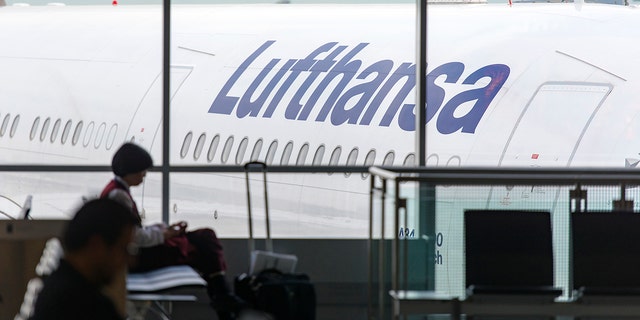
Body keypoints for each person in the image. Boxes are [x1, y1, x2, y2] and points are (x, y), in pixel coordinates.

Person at [100, 142, 245, 320]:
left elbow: (132, 231)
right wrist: (165, 234)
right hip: (137, 259)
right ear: (131, 170)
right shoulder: (119, 196)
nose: (144, 175)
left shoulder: (116, 191)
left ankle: (222, 296)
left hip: (136, 254)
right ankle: (222, 295)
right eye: (142, 170)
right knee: (203, 243)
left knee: (204, 238)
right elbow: (134, 237)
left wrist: (164, 230)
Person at [30, 198, 137, 320]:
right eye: (123, 249)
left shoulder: (56, 291)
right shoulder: (85, 307)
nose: (129, 260)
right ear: (96, 246)